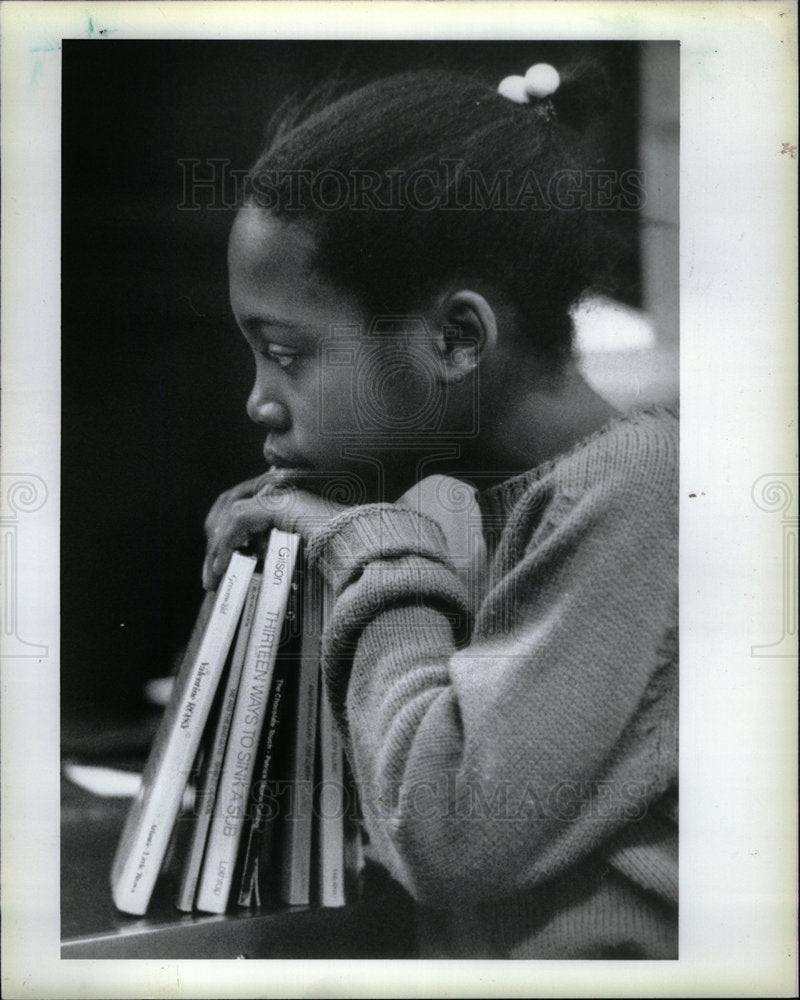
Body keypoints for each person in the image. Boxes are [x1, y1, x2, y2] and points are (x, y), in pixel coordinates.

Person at [202, 64, 678, 959]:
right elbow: (391, 789)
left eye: (287, 354)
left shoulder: (640, 496)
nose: (259, 403)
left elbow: (449, 832)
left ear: (455, 339)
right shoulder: (450, 505)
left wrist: (369, 551)